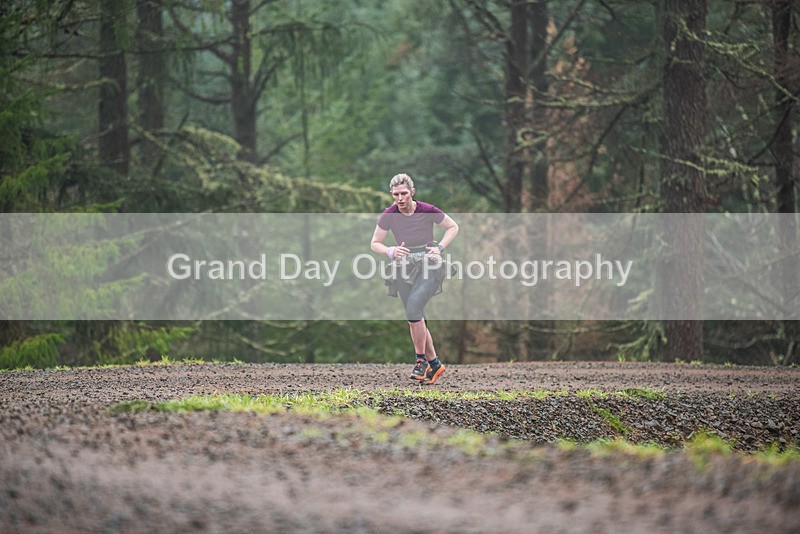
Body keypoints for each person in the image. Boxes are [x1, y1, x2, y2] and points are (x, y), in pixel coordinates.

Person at [370, 173, 459, 384]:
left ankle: (420, 361)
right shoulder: (389, 214)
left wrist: (439, 248)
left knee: (414, 307)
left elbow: (453, 226)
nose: (400, 198)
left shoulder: (428, 210)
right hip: (403, 266)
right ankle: (435, 364)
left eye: (403, 193)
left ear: (412, 192)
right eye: (395, 195)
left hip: (429, 264)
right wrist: (391, 251)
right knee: (416, 314)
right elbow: (375, 243)